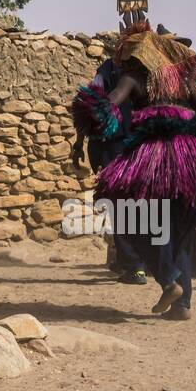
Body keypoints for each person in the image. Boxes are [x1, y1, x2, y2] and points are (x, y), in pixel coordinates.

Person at [73, 22, 196, 320]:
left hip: (154, 158)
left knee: (136, 220)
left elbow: (106, 106)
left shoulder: (134, 78)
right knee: (181, 230)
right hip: (192, 160)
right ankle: (182, 303)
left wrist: (89, 111)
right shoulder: (185, 80)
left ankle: (168, 279)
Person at [73, 53, 148, 284]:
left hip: (120, 145)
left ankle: (135, 267)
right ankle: (140, 263)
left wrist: (80, 140)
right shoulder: (143, 74)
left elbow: (95, 105)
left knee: (121, 205)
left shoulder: (125, 75)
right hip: (139, 144)